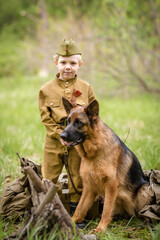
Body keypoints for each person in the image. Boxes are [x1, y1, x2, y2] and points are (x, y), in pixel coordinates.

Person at [38, 39, 95, 217]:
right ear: (56, 63)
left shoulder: (86, 88)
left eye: (72, 63)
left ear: (80, 65)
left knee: (77, 180)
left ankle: (76, 216)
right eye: (63, 63)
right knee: (48, 177)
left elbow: (93, 117)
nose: (67, 67)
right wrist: (59, 135)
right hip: (53, 141)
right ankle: (45, 214)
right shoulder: (46, 90)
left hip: (78, 143)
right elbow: (45, 118)